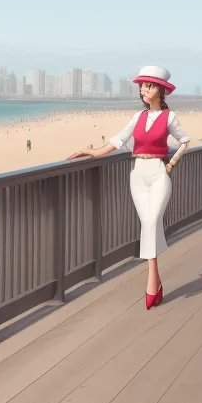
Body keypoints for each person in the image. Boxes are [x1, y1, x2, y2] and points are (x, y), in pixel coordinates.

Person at [70, 65, 189, 310]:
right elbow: (117, 141)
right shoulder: (137, 118)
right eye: (142, 86)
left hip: (159, 173)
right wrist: (89, 151)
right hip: (137, 175)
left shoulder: (170, 117)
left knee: (151, 220)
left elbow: (185, 141)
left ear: (161, 90)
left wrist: (172, 164)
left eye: (149, 86)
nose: (144, 90)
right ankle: (156, 282)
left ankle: (151, 282)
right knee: (148, 222)